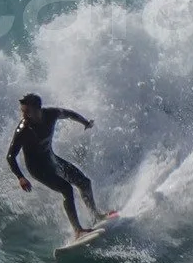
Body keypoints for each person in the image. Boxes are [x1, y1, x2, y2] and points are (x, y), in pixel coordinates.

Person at [6, 93, 115, 236]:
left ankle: (95, 215)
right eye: (22, 112)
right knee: (67, 190)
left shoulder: (51, 114)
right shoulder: (23, 130)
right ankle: (78, 230)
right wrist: (20, 177)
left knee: (84, 182)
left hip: (52, 160)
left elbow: (69, 114)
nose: (24, 116)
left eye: (27, 112)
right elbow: (10, 156)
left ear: (38, 109)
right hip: (37, 169)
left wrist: (85, 122)